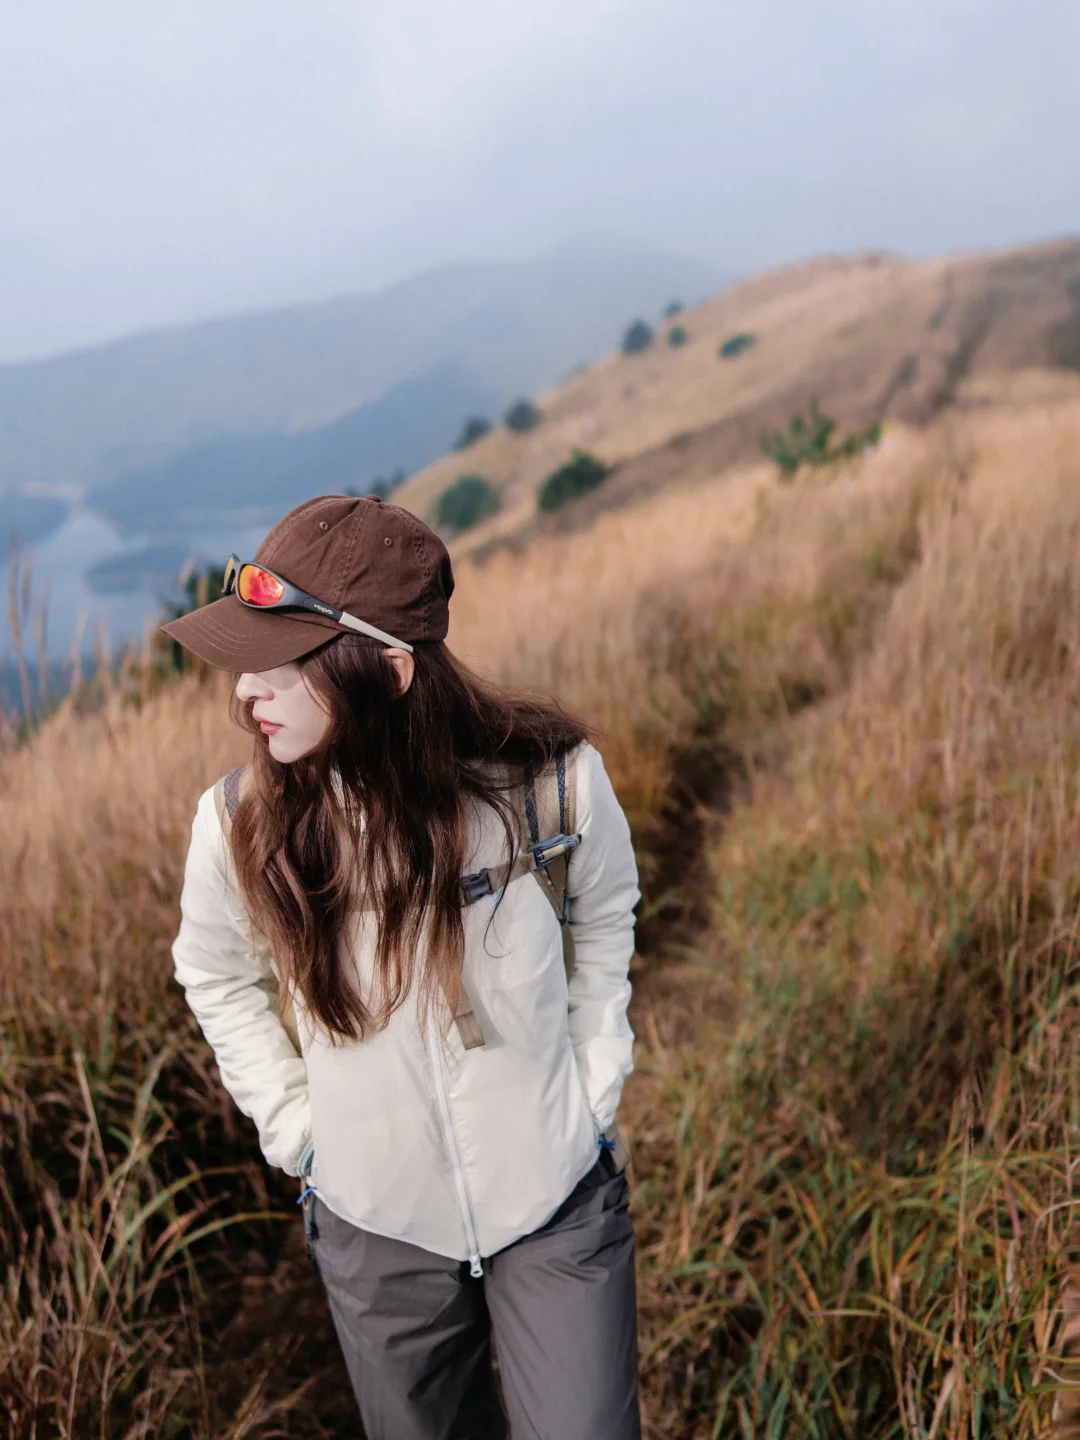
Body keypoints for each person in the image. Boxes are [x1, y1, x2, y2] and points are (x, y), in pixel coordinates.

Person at [163, 494, 642, 1440]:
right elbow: (212, 973)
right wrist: (302, 1137)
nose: (244, 691)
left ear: (387, 671)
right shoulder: (238, 826)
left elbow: (606, 913)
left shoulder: (550, 780)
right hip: (375, 1231)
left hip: (557, 1202)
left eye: (280, 663)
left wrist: (591, 1093)